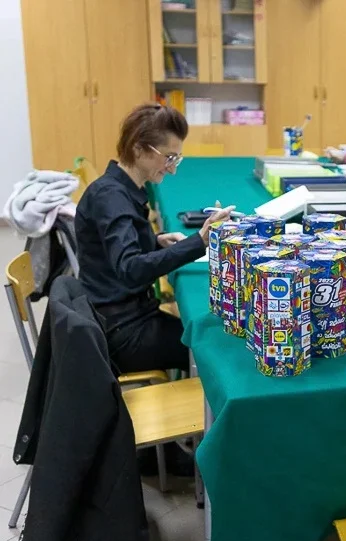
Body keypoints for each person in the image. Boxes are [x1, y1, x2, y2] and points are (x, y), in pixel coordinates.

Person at [75, 103, 234, 376]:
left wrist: (154, 241)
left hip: (123, 315)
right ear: (138, 149)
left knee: (208, 333)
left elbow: (115, 248)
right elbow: (130, 268)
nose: (172, 170)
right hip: (122, 332)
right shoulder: (111, 199)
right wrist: (198, 241)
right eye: (168, 158)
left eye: (176, 159)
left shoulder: (120, 188)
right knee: (213, 347)